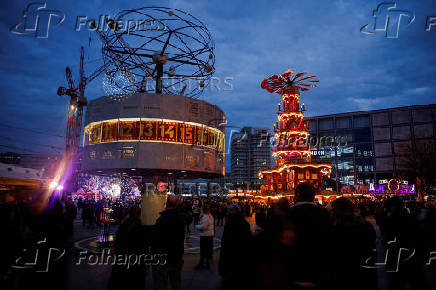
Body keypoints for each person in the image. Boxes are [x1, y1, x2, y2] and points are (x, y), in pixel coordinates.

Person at [287, 182, 333, 289]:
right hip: (319, 269)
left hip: (296, 268)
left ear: (298, 194)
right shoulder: (324, 214)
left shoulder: (288, 214)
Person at [330, 197, 377, 290]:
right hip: (365, 273)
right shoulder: (366, 226)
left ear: (337, 211)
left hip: (342, 275)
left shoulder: (335, 230)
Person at [107, 207, 146, 290]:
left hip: (123, 258)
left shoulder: (124, 225)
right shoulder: (142, 227)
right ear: (140, 214)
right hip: (136, 260)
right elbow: (144, 246)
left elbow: (118, 242)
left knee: (121, 282)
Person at [152, 195, 185, 290]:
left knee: (161, 284)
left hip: (162, 256)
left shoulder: (161, 220)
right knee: (176, 283)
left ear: (166, 204)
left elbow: (155, 239)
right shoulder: (180, 219)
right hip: (176, 256)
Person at [219, 204, 253, 289]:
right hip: (238, 254)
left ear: (232, 213)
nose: (227, 214)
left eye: (229, 212)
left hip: (233, 254)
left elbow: (227, 239)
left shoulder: (232, 223)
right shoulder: (243, 222)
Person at [195, 205, 214, 269]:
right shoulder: (210, 215)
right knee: (207, 249)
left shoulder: (205, 217)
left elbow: (204, 227)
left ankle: (202, 263)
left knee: (203, 250)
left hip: (205, 235)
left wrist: (197, 226)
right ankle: (207, 263)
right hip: (209, 235)